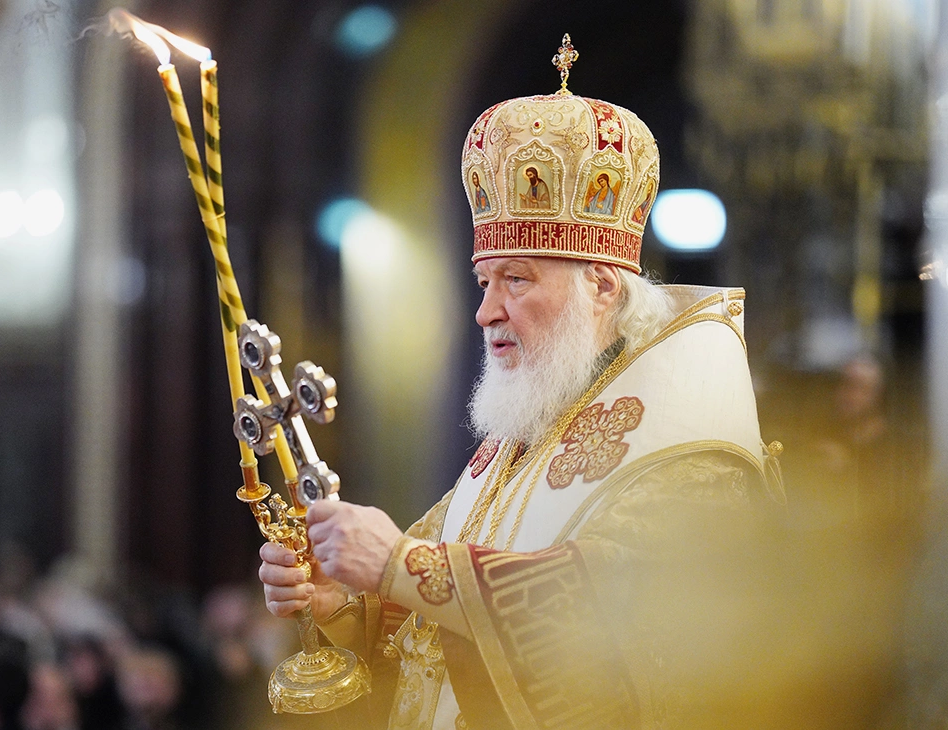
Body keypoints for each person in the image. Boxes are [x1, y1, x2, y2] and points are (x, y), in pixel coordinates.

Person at [259, 48, 785, 729]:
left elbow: (618, 612)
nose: (487, 311)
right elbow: (427, 624)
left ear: (601, 284)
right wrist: (347, 605)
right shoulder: (530, 431)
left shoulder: (688, 441)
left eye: (517, 279)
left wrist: (398, 565)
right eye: (485, 283)